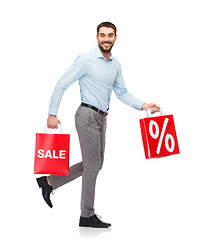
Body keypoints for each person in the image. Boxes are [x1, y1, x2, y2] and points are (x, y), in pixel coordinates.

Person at [36, 21, 160, 228]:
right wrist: (52, 113)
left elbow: (122, 93)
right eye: (102, 35)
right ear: (97, 37)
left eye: (110, 35)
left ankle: (48, 182)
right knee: (92, 166)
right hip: (86, 115)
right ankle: (86, 215)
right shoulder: (85, 60)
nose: (106, 39)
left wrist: (143, 105)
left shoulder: (116, 65)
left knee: (94, 165)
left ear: (115, 38)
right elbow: (61, 84)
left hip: (102, 118)